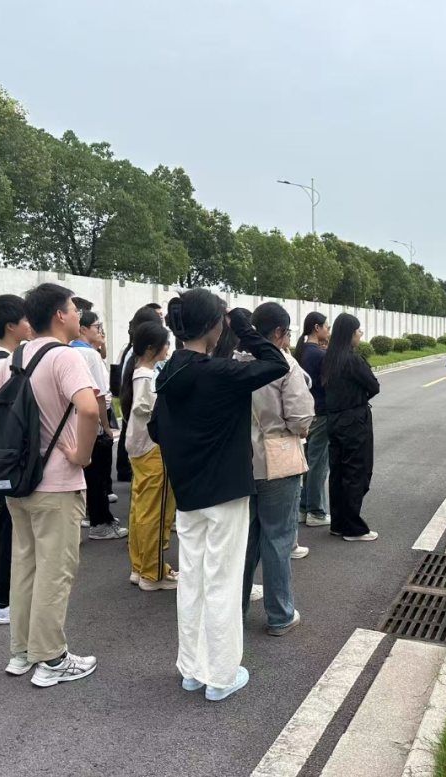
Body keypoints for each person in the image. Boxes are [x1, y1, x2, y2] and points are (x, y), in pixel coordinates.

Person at [148, 291, 288, 702]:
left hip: (188, 491)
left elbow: (156, 429)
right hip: (225, 490)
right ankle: (222, 674)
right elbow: (276, 362)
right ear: (215, 324)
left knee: (193, 579)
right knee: (222, 581)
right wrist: (241, 322)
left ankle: (192, 669)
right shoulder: (220, 373)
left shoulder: (168, 373)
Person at [0, 283, 100, 688]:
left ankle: (22, 652)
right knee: (56, 571)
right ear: (60, 315)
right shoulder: (65, 357)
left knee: (26, 567)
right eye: (74, 309)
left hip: (20, 481)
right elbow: (89, 409)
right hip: (57, 482)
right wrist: (81, 454)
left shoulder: (16, 356)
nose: (78, 315)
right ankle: (52, 658)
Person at [236, 303, 313, 636]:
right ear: (279, 332)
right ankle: (280, 614)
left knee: (245, 541)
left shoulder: (234, 361)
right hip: (278, 459)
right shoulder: (285, 364)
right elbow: (300, 419)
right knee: (278, 538)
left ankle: (235, 611)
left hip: (241, 461)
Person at [0, 294, 32, 626]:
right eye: (26, 319)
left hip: (4, 459)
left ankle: (8, 598)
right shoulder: (4, 363)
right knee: (12, 528)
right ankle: (6, 600)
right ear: (12, 326)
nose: (30, 324)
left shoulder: (2, 359)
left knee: (11, 526)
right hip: (9, 461)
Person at [124, 321, 177, 590]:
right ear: (151, 348)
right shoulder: (148, 377)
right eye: (165, 344)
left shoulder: (137, 372)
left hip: (139, 447)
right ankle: (153, 573)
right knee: (156, 511)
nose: (168, 348)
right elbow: (154, 411)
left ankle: (140, 566)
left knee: (141, 508)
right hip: (153, 448)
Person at [322, 314, 380, 541]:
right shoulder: (353, 360)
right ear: (350, 334)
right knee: (356, 472)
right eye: (358, 331)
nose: (360, 335)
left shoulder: (329, 358)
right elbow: (373, 386)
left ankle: (338, 523)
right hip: (354, 420)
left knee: (338, 472)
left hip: (334, 420)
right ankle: (353, 528)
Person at [72, 311, 124, 539]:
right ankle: (100, 522)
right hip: (93, 420)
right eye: (96, 326)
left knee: (85, 474)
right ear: (83, 328)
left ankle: (90, 516)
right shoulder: (89, 355)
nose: (100, 330)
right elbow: (100, 395)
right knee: (97, 475)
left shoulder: (69, 350)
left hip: (74, 421)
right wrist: (105, 426)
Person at [114, 306, 164, 483]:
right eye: (164, 344)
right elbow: (147, 406)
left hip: (142, 441)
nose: (167, 348)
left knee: (142, 491)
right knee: (151, 495)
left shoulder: (136, 362)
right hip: (148, 444)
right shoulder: (144, 375)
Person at [293, 312, 330, 527]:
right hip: (321, 412)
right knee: (318, 464)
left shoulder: (302, 352)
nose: (328, 331)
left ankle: (304, 506)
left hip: (307, 413)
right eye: (326, 327)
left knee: (309, 462)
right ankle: (316, 511)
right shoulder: (319, 355)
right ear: (317, 328)